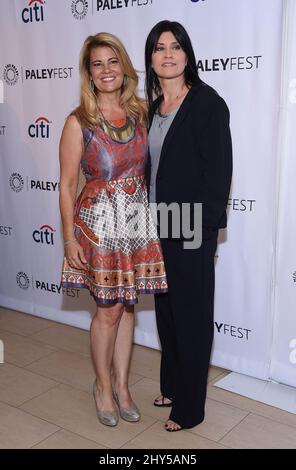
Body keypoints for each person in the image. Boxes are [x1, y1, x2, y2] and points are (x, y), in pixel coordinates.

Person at [59, 32, 168, 427]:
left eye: (112, 61)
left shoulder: (141, 114)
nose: (106, 70)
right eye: (97, 64)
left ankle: (123, 387)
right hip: (99, 226)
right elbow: (67, 184)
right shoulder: (79, 122)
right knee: (108, 311)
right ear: (89, 73)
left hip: (136, 222)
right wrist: (69, 238)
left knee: (127, 308)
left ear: (124, 67)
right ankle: (102, 386)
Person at [145, 21, 232, 431]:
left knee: (193, 315)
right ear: (151, 58)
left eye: (175, 47)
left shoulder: (206, 102)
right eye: (160, 47)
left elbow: (219, 173)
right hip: (155, 224)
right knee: (167, 312)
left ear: (187, 54)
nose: (168, 54)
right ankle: (172, 387)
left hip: (191, 227)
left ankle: (190, 408)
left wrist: (208, 232)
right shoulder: (153, 108)